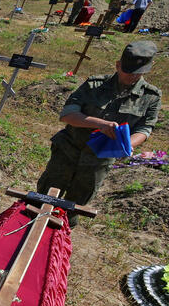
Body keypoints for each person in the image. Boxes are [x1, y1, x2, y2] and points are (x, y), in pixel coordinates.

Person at [37, 41, 160, 224]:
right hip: (68, 151)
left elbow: (145, 128)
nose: (132, 77)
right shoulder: (94, 85)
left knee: (73, 208)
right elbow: (67, 115)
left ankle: (57, 244)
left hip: (97, 162)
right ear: (118, 65)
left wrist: (127, 144)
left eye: (137, 73)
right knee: (43, 198)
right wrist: (100, 124)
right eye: (127, 71)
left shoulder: (151, 97)